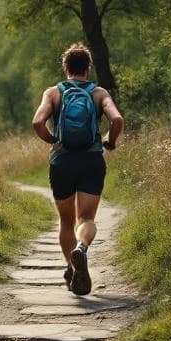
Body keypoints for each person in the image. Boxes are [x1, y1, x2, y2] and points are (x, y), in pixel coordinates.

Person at [30, 44, 124, 295]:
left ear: (66, 67)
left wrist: (53, 140)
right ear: (88, 67)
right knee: (86, 219)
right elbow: (117, 120)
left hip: (62, 162)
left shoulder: (52, 93)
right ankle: (81, 248)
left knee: (66, 219)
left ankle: (71, 268)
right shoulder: (99, 93)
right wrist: (110, 142)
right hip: (92, 160)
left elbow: (37, 122)